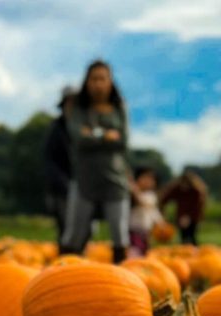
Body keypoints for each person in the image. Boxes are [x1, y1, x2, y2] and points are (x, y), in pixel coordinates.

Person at [60, 60, 132, 264]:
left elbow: (123, 141)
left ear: (110, 82)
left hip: (115, 180)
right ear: (87, 82)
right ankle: (60, 279)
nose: (98, 84)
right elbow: (78, 138)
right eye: (94, 79)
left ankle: (122, 280)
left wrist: (93, 133)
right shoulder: (78, 108)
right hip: (84, 180)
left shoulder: (120, 107)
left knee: (119, 233)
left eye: (102, 79)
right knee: (74, 233)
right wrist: (106, 135)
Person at [43, 86, 78, 243]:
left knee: (84, 228)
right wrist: (63, 183)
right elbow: (49, 160)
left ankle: (81, 262)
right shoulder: (56, 129)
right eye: (69, 103)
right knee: (65, 228)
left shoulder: (85, 128)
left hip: (84, 187)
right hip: (62, 187)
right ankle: (66, 260)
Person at [159, 169, 209, 246]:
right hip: (181, 217)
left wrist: (189, 217)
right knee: (183, 238)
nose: (184, 187)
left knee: (191, 237)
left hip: (193, 218)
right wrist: (163, 212)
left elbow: (198, 207)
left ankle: (193, 253)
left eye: (186, 184)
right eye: (183, 184)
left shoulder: (196, 192)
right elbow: (164, 199)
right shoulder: (177, 190)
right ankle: (185, 253)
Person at [129, 166, 164, 256]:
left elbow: (153, 211)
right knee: (135, 251)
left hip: (146, 230)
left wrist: (160, 222)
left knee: (145, 251)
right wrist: (133, 189)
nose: (148, 181)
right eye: (144, 178)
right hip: (133, 230)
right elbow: (139, 201)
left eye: (151, 179)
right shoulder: (131, 196)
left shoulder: (150, 195)